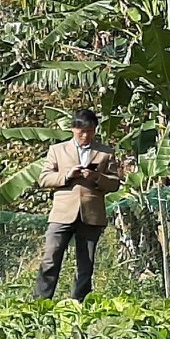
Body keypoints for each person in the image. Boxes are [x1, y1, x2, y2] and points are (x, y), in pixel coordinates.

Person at [33, 108, 123, 301]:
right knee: (50, 257)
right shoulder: (57, 150)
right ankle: (40, 302)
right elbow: (44, 179)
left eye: (89, 131)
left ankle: (80, 303)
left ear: (95, 130)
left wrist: (97, 177)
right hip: (62, 213)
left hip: (91, 214)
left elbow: (115, 183)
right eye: (81, 131)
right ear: (73, 129)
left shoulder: (105, 153)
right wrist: (67, 175)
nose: (85, 135)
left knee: (86, 263)